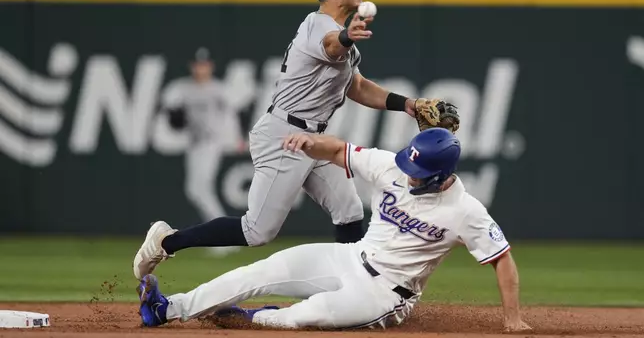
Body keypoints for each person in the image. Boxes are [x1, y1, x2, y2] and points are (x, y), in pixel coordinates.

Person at [133, 0, 435, 280]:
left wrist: (409, 105)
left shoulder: (337, 32)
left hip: (312, 139)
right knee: (256, 231)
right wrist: (347, 36)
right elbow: (331, 46)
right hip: (284, 136)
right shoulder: (317, 25)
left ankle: (357, 288)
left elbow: (357, 87)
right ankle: (167, 242)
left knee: (348, 209)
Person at [135, 127, 532, 333]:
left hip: (386, 293)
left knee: (308, 316)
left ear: (443, 175)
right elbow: (341, 149)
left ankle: (250, 320)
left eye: (419, 173)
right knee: (261, 270)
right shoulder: (391, 166)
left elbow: (502, 261)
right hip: (349, 257)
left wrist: (512, 319)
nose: (409, 176)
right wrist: (311, 143)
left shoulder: (465, 210)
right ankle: (166, 309)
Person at [161, 47, 245, 257]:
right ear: (192, 66)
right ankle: (224, 236)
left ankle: (224, 237)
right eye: (198, 64)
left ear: (211, 66)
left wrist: (236, 139)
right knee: (196, 190)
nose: (201, 68)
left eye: (205, 64)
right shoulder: (183, 89)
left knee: (199, 189)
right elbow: (172, 116)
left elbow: (233, 116)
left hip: (211, 144)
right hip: (195, 144)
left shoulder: (219, 90)